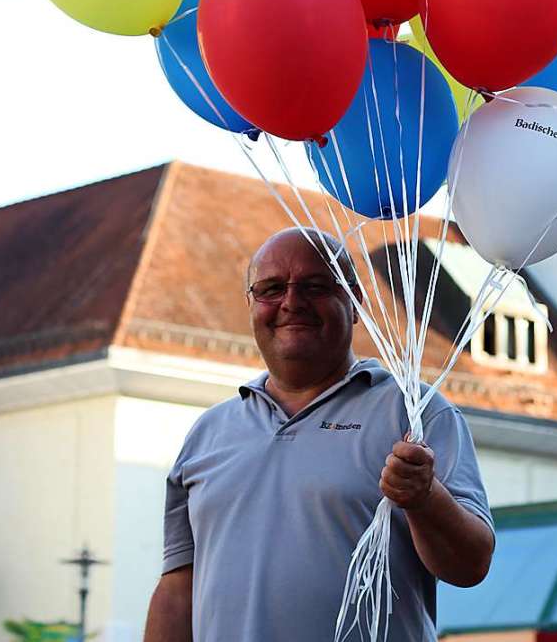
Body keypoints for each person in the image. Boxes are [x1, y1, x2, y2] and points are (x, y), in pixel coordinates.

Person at [144, 227, 494, 642]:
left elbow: (471, 566)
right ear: (251, 304)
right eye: (271, 289)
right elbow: (177, 591)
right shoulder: (208, 433)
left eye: (315, 286)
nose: (292, 302)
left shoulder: (416, 413)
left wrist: (425, 497)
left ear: (355, 303)